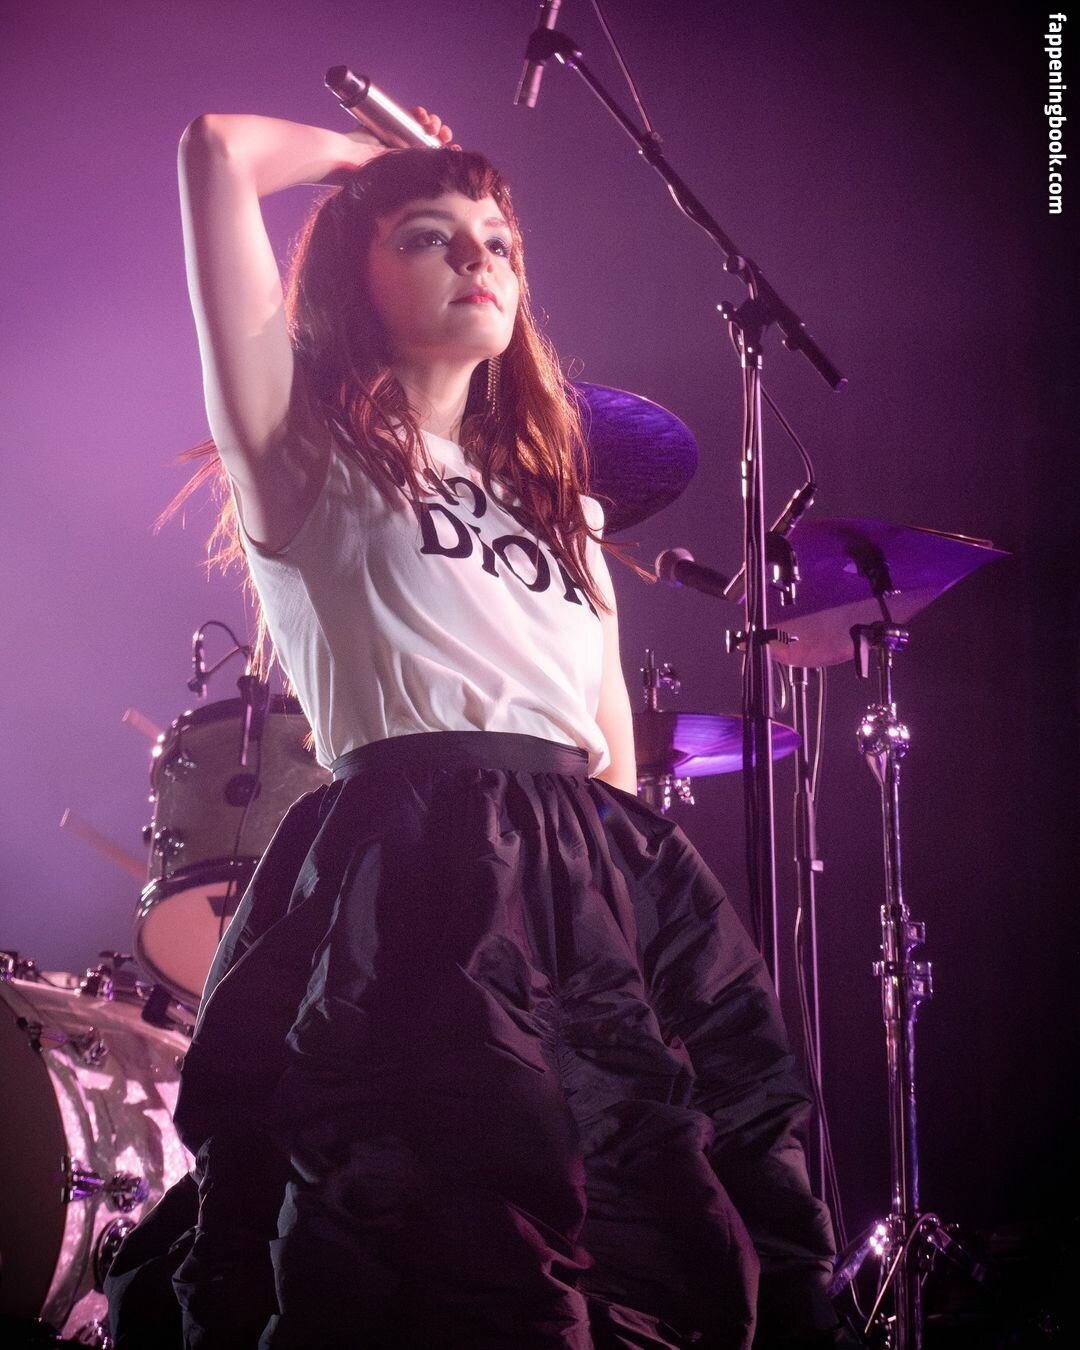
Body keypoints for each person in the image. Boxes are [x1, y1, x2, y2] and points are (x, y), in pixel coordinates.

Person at [106, 106, 838, 1349]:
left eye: (497, 241)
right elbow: (215, 152)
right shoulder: (301, 449)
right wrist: (371, 160)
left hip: (590, 886)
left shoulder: (568, 516)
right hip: (416, 872)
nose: (477, 260)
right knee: (449, 1218)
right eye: (429, 237)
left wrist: (611, 943)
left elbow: (608, 751)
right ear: (356, 276)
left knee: (652, 1221)